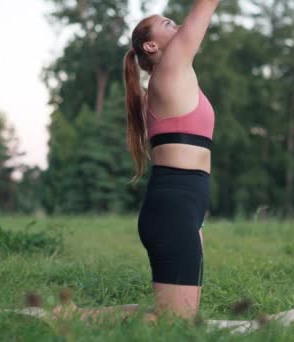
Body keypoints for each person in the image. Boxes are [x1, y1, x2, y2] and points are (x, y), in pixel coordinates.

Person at [52, 0, 219, 324]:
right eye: (168, 23)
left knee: (177, 319)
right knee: (176, 324)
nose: (179, 26)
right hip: (174, 209)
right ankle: (71, 319)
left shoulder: (175, 75)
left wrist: (196, 220)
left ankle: (77, 315)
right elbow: (205, 7)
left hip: (183, 207)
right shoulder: (169, 70)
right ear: (151, 45)